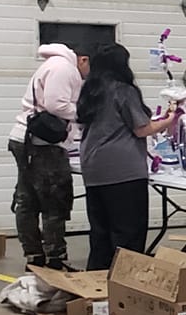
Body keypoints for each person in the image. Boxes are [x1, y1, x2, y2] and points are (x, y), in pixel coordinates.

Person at [75, 44, 175, 272]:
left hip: (93, 169)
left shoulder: (89, 92)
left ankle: (96, 281)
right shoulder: (124, 91)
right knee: (128, 234)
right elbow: (141, 129)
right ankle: (126, 282)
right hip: (124, 172)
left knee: (100, 234)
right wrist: (168, 120)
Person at [8, 41, 86, 273]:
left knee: (27, 199)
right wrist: (85, 113)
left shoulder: (51, 64)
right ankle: (55, 259)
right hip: (42, 144)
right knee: (54, 201)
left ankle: (34, 256)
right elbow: (56, 105)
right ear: (83, 59)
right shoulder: (64, 68)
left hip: (24, 139)